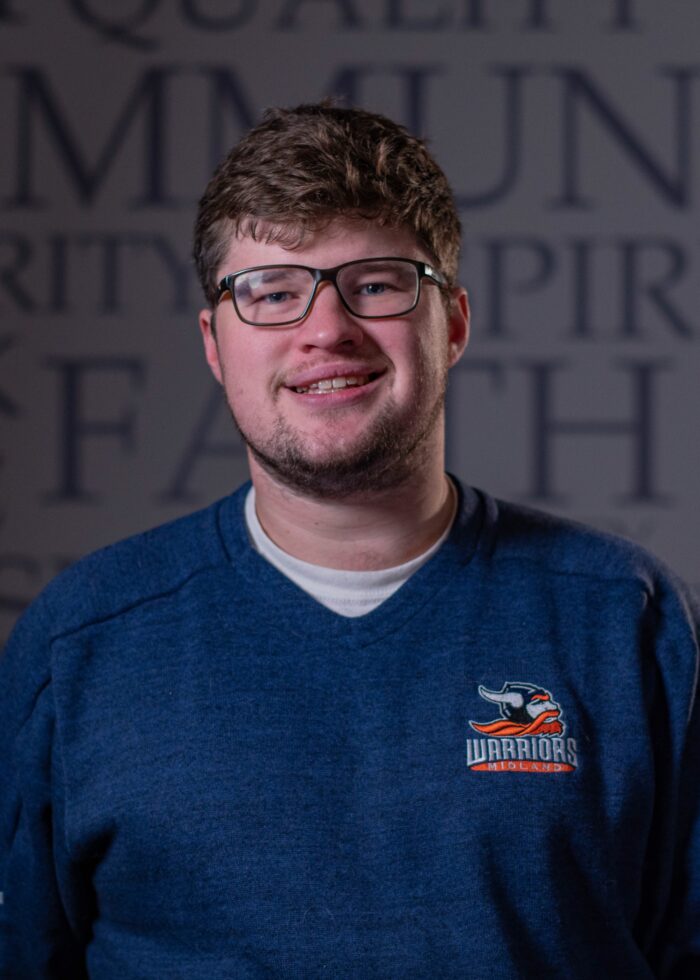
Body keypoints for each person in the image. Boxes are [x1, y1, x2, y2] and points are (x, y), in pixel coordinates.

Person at [1, 102, 698, 979]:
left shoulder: (624, 620)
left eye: (374, 283)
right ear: (215, 345)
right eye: (274, 293)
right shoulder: (81, 642)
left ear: (452, 322)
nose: (325, 330)